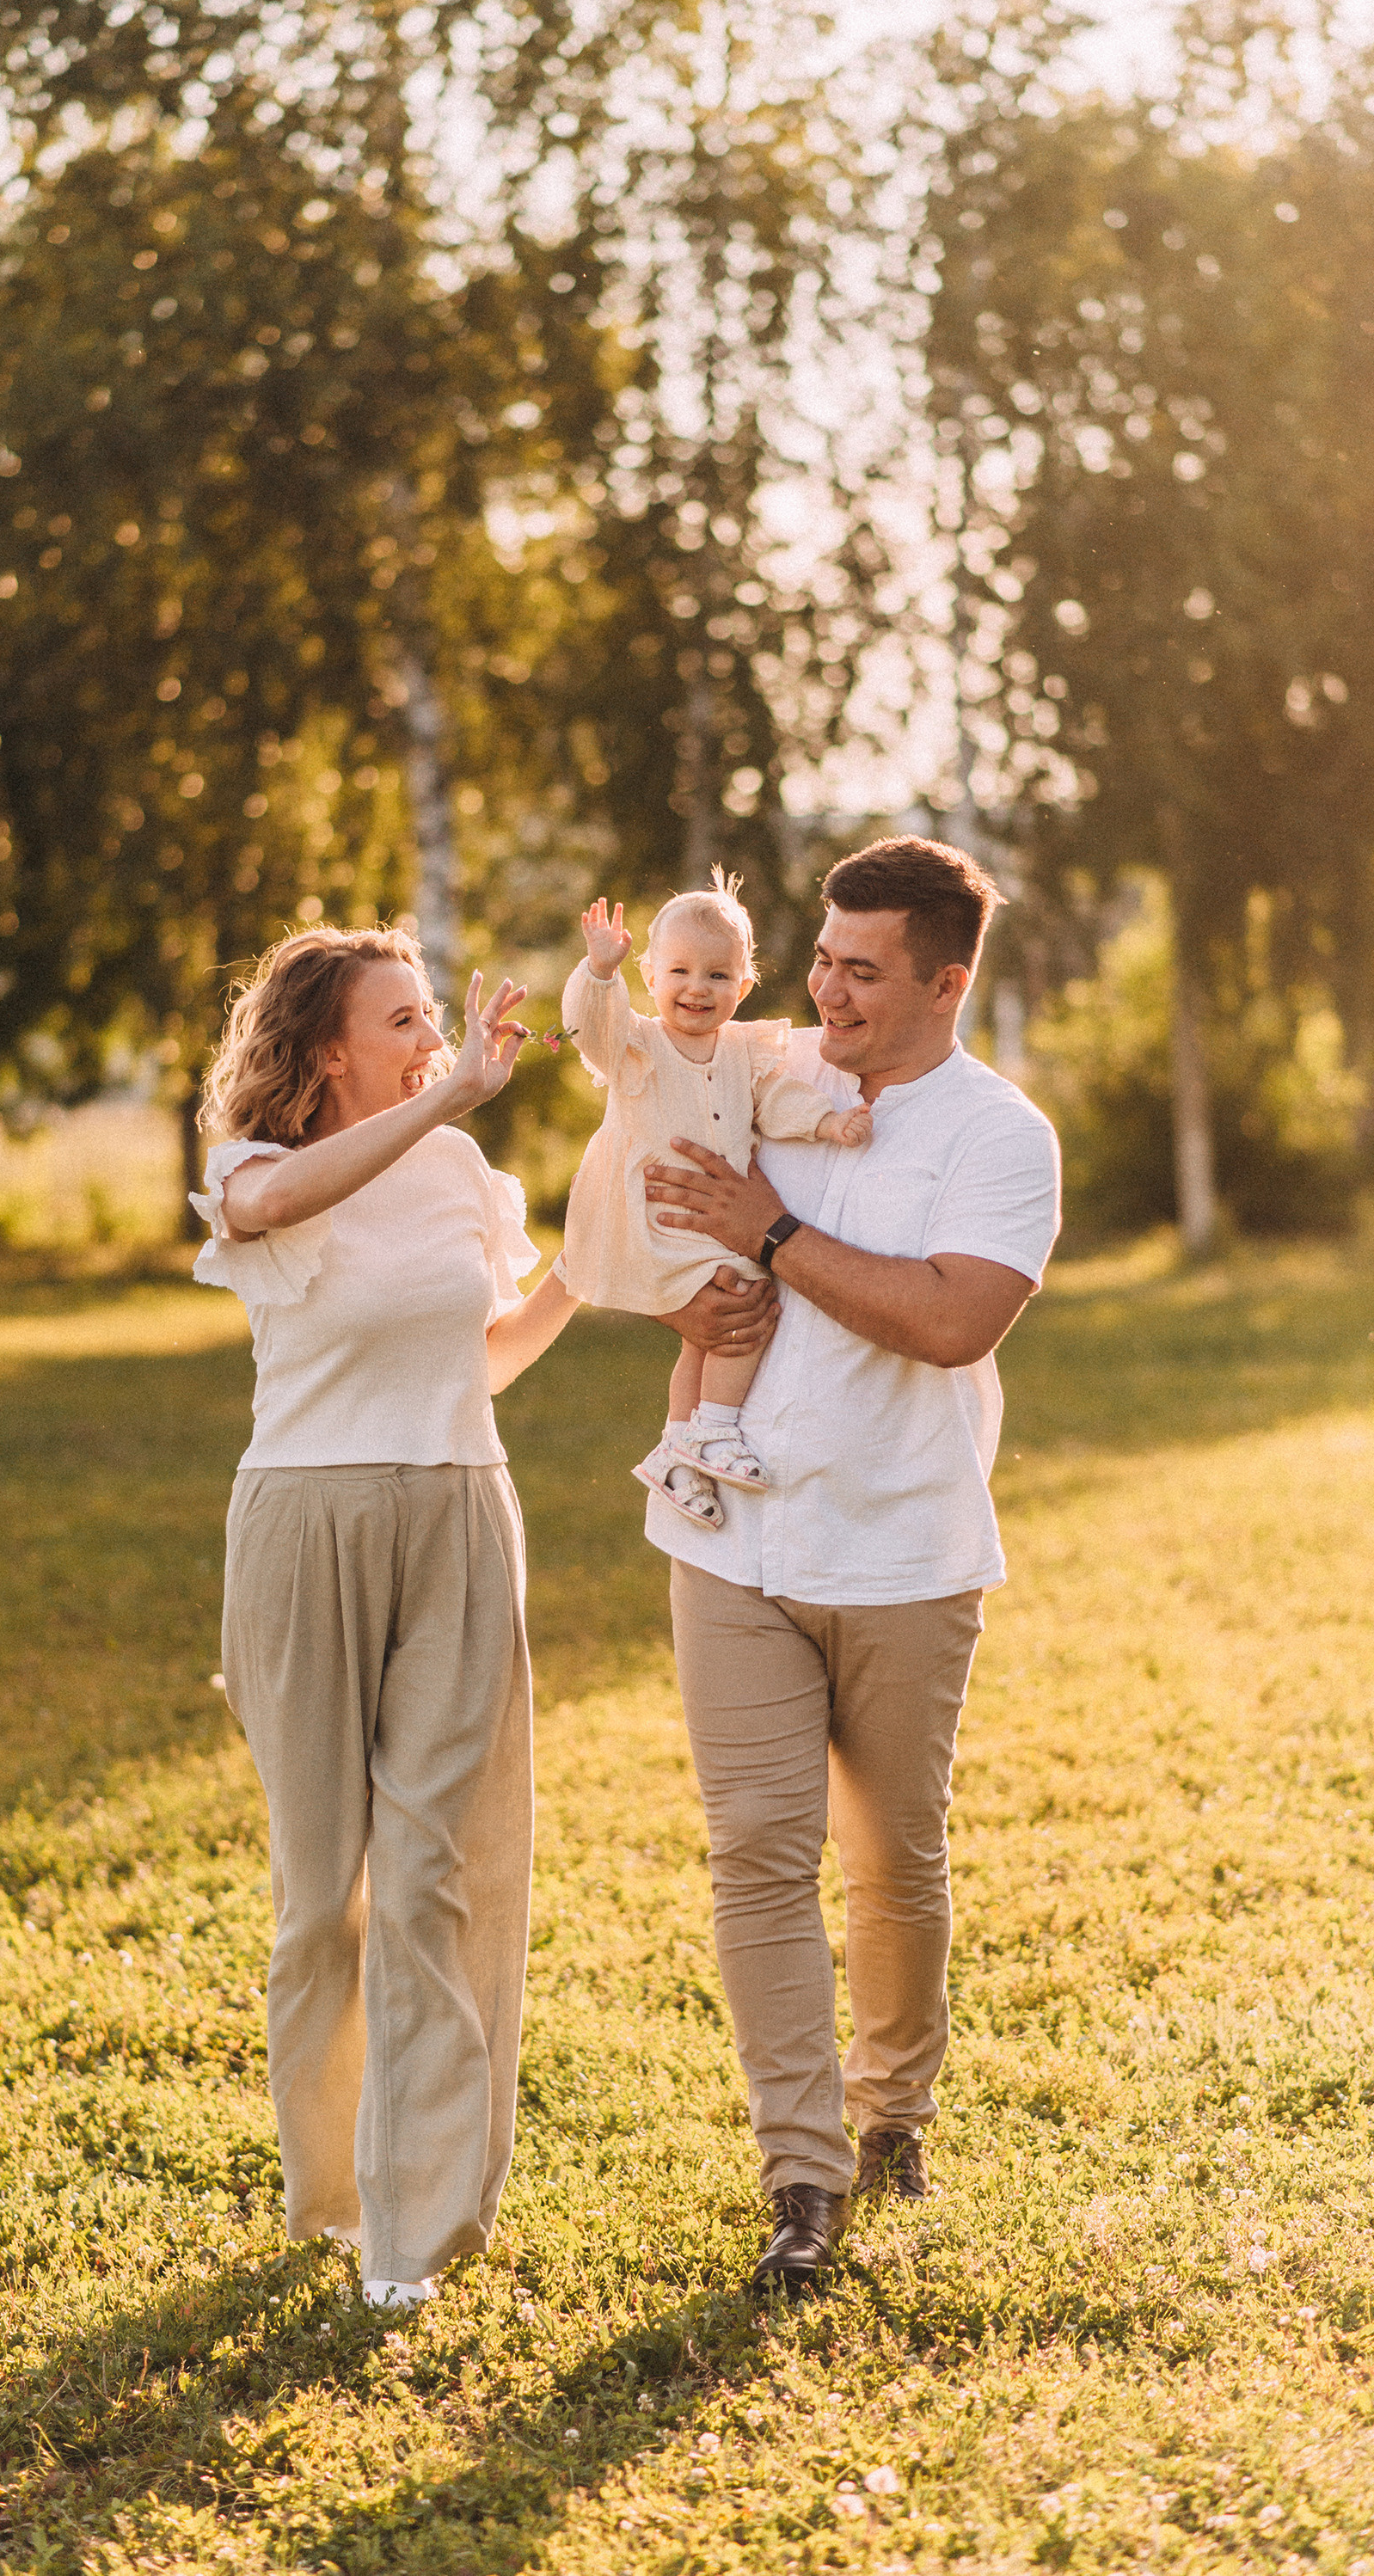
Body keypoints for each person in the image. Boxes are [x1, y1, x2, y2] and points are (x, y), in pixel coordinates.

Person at [639, 837, 1062, 2293]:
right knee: (758, 1855)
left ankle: (894, 2117)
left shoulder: (1002, 1137)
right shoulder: (751, 1085)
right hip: (729, 1536)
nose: (824, 988)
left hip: (904, 1546)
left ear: (946, 982)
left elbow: (951, 1321)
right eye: (820, 957)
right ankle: (804, 2177)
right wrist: (692, 1293)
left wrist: (770, 1229)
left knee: (893, 1858)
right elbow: (669, 1246)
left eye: (860, 970)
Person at [190, 923, 578, 2313]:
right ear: (328, 1051)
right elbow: (272, 1212)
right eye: (404, 1021)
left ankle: (416, 2227)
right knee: (321, 1903)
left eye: (435, 1015)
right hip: (304, 1527)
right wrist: (449, 1096)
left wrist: (584, 1265)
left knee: (433, 1875)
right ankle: (333, 2205)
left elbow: (481, 1357)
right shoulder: (250, 1168)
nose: (435, 1039)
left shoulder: (462, 1167)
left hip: (462, 1510)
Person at [538, 874, 871, 1527]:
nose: (697, 988)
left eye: (718, 976)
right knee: (745, 1298)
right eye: (680, 971)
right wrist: (598, 974)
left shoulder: (745, 1051)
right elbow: (589, 1029)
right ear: (651, 976)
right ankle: (715, 1429)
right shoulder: (636, 1044)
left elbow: (775, 1103)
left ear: (743, 987)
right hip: (655, 1218)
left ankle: (679, 1448)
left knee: (710, 1331)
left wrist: (827, 1123)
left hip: (709, 1222)